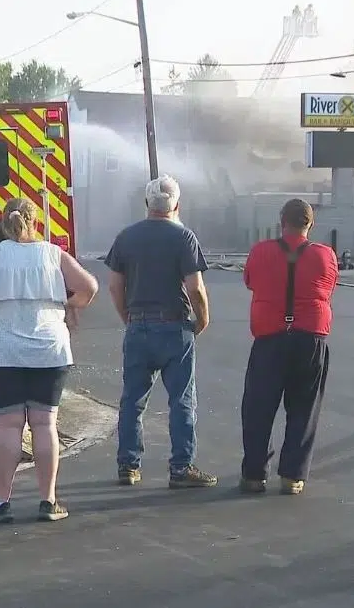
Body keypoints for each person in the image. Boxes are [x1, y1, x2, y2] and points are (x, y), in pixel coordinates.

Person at [0, 197, 98, 522]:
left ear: (4, 224)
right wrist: (70, 305)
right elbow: (89, 286)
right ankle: (48, 501)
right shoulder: (53, 254)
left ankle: (1, 502)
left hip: (1, 350)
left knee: (8, 425)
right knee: (44, 424)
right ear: (36, 223)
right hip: (49, 348)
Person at [105, 175, 218, 489]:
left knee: (132, 400)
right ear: (177, 205)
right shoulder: (184, 238)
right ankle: (181, 467)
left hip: (138, 325)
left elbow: (114, 286)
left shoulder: (126, 237)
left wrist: (128, 318)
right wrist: (202, 320)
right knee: (181, 401)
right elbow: (195, 288)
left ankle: (128, 466)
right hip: (173, 327)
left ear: (147, 203)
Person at [239, 199, 338, 495]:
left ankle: (254, 474)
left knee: (258, 408)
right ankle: (293, 475)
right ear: (311, 224)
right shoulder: (326, 255)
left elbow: (250, 281)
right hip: (310, 337)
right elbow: (328, 287)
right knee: (304, 407)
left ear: (282, 221)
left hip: (269, 336)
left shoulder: (260, 251)